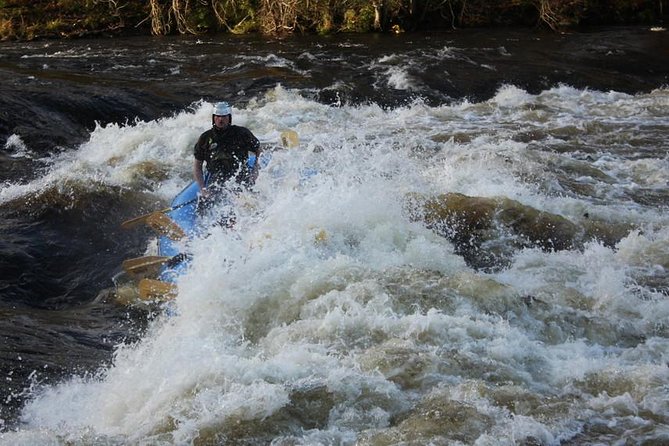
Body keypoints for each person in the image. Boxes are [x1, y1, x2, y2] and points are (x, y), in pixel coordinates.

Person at [193, 101, 261, 224]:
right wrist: (203, 189)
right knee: (203, 207)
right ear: (213, 118)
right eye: (217, 116)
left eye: (224, 116)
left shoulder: (241, 133)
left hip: (240, 180)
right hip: (217, 182)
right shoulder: (205, 138)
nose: (220, 119)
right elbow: (197, 167)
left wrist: (255, 170)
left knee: (243, 206)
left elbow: (259, 151)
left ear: (229, 118)